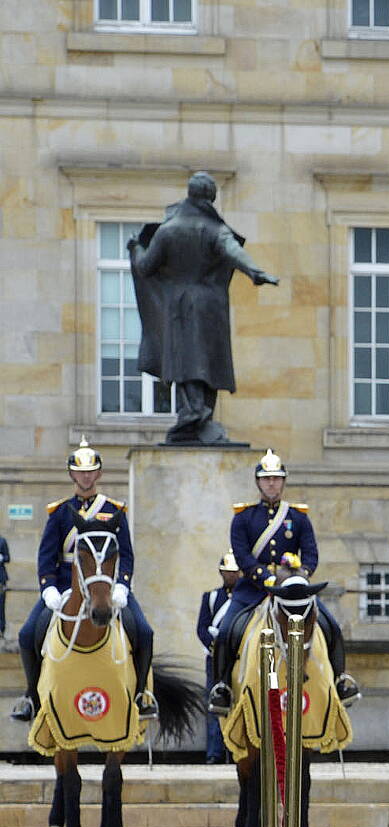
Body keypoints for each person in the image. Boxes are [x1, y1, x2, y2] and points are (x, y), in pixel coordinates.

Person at [127, 171, 279, 446]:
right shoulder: (213, 229)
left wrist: (136, 247)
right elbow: (233, 251)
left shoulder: (169, 230)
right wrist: (256, 272)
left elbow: (145, 266)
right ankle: (197, 416)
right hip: (210, 304)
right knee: (207, 362)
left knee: (187, 362)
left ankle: (195, 415)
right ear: (209, 198)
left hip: (180, 304)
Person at [208, 449, 359, 714]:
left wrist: (300, 575)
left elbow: (311, 554)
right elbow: (242, 556)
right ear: (258, 482)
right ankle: (222, 687)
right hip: (253, 589)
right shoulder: (243, 517)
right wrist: (266, 578)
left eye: (277, 478)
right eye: (266, 479)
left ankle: (341, 679)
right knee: (227, 631)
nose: (272, 484)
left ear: (283, 482)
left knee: (331, 626)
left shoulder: (298, 517)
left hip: (292, 590)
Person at [12, 444, 156, 722]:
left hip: (106, 585)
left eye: (91, 472)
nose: (86, 477)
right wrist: (49, 588)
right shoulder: (60, 512)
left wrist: (123, 585)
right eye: (80, 472)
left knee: (144, 632)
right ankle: (31, 695)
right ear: (72, 474)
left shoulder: (114, 510)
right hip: (67, 585)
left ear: (99, 473)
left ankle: (141, 695)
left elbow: (125, 553)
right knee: (27, 634)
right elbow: (46, 556)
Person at [196, 552, 240, 763]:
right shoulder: (212, 597)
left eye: (234, 573)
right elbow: (202, 628)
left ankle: (236, 750)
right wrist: (215, 647)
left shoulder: (243, 598)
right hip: (215, 657)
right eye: (227, 572)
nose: (230, 576)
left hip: (237, 657)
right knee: (214, 703)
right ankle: (214, 752)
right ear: (221, 573)